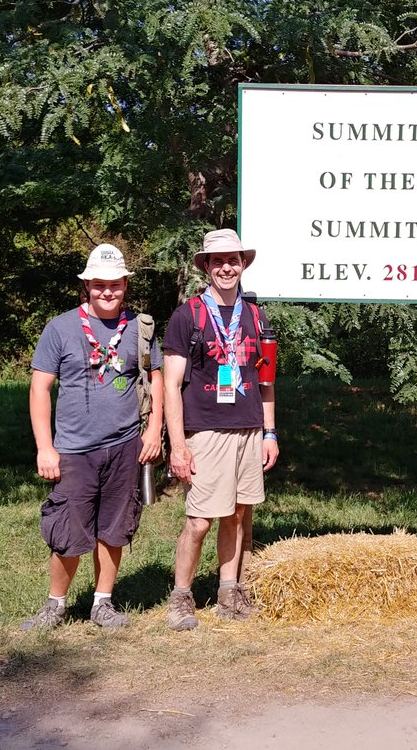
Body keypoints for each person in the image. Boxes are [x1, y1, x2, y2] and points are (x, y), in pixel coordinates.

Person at [20, 243, 164, 631]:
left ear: (125, 286)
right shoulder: (60, 328)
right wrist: (45, 448)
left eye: (115, 284)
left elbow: (155, 379)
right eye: (99, 284)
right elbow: (39, 389)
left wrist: (154, 430)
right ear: (86, 286)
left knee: (115, 526)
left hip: (125, 445)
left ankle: (103, 602)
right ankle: (55, 605)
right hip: (73, 450)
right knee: (67, 528)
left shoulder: (140, 327)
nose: (107, 291)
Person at [161, 228, 279, 631]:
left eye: (233, 260)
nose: (226, 267)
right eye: (218, 261)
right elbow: (170, 385)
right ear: (206, 267)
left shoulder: (256, 315)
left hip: (249, 428)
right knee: (199, 520)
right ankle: (181, 597)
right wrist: (178, 446)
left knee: (237, 514)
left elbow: (267, 381)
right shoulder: (187, 315)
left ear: (242, 264)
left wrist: (270, 432)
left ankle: (229, 592)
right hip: (206, 431)